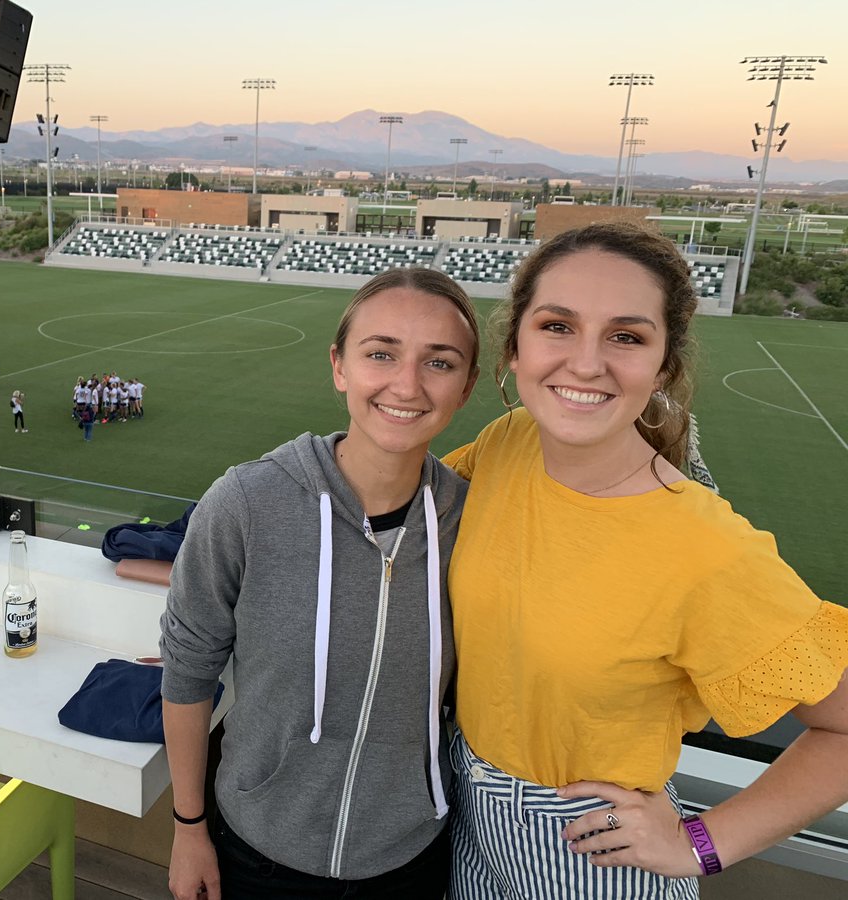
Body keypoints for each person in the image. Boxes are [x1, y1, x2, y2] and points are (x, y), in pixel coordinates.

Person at [441, 222, 848, 898]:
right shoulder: (507, 444)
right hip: (465, 818)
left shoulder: (708, 550)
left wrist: (703, 846)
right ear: (515, 347)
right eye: (557, 326)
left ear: (664, 365)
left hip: (593, 855)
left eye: (626, 337)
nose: (586, 362)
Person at [160, 267, 482, 900]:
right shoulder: (246, 502)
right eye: (380, 353)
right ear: (340, 367)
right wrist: (188, 827)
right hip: (255, 853)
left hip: (410, 858)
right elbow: (188, 671)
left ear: (467, 386)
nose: (406, 384)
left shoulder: (472, 522)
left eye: (438, 363)